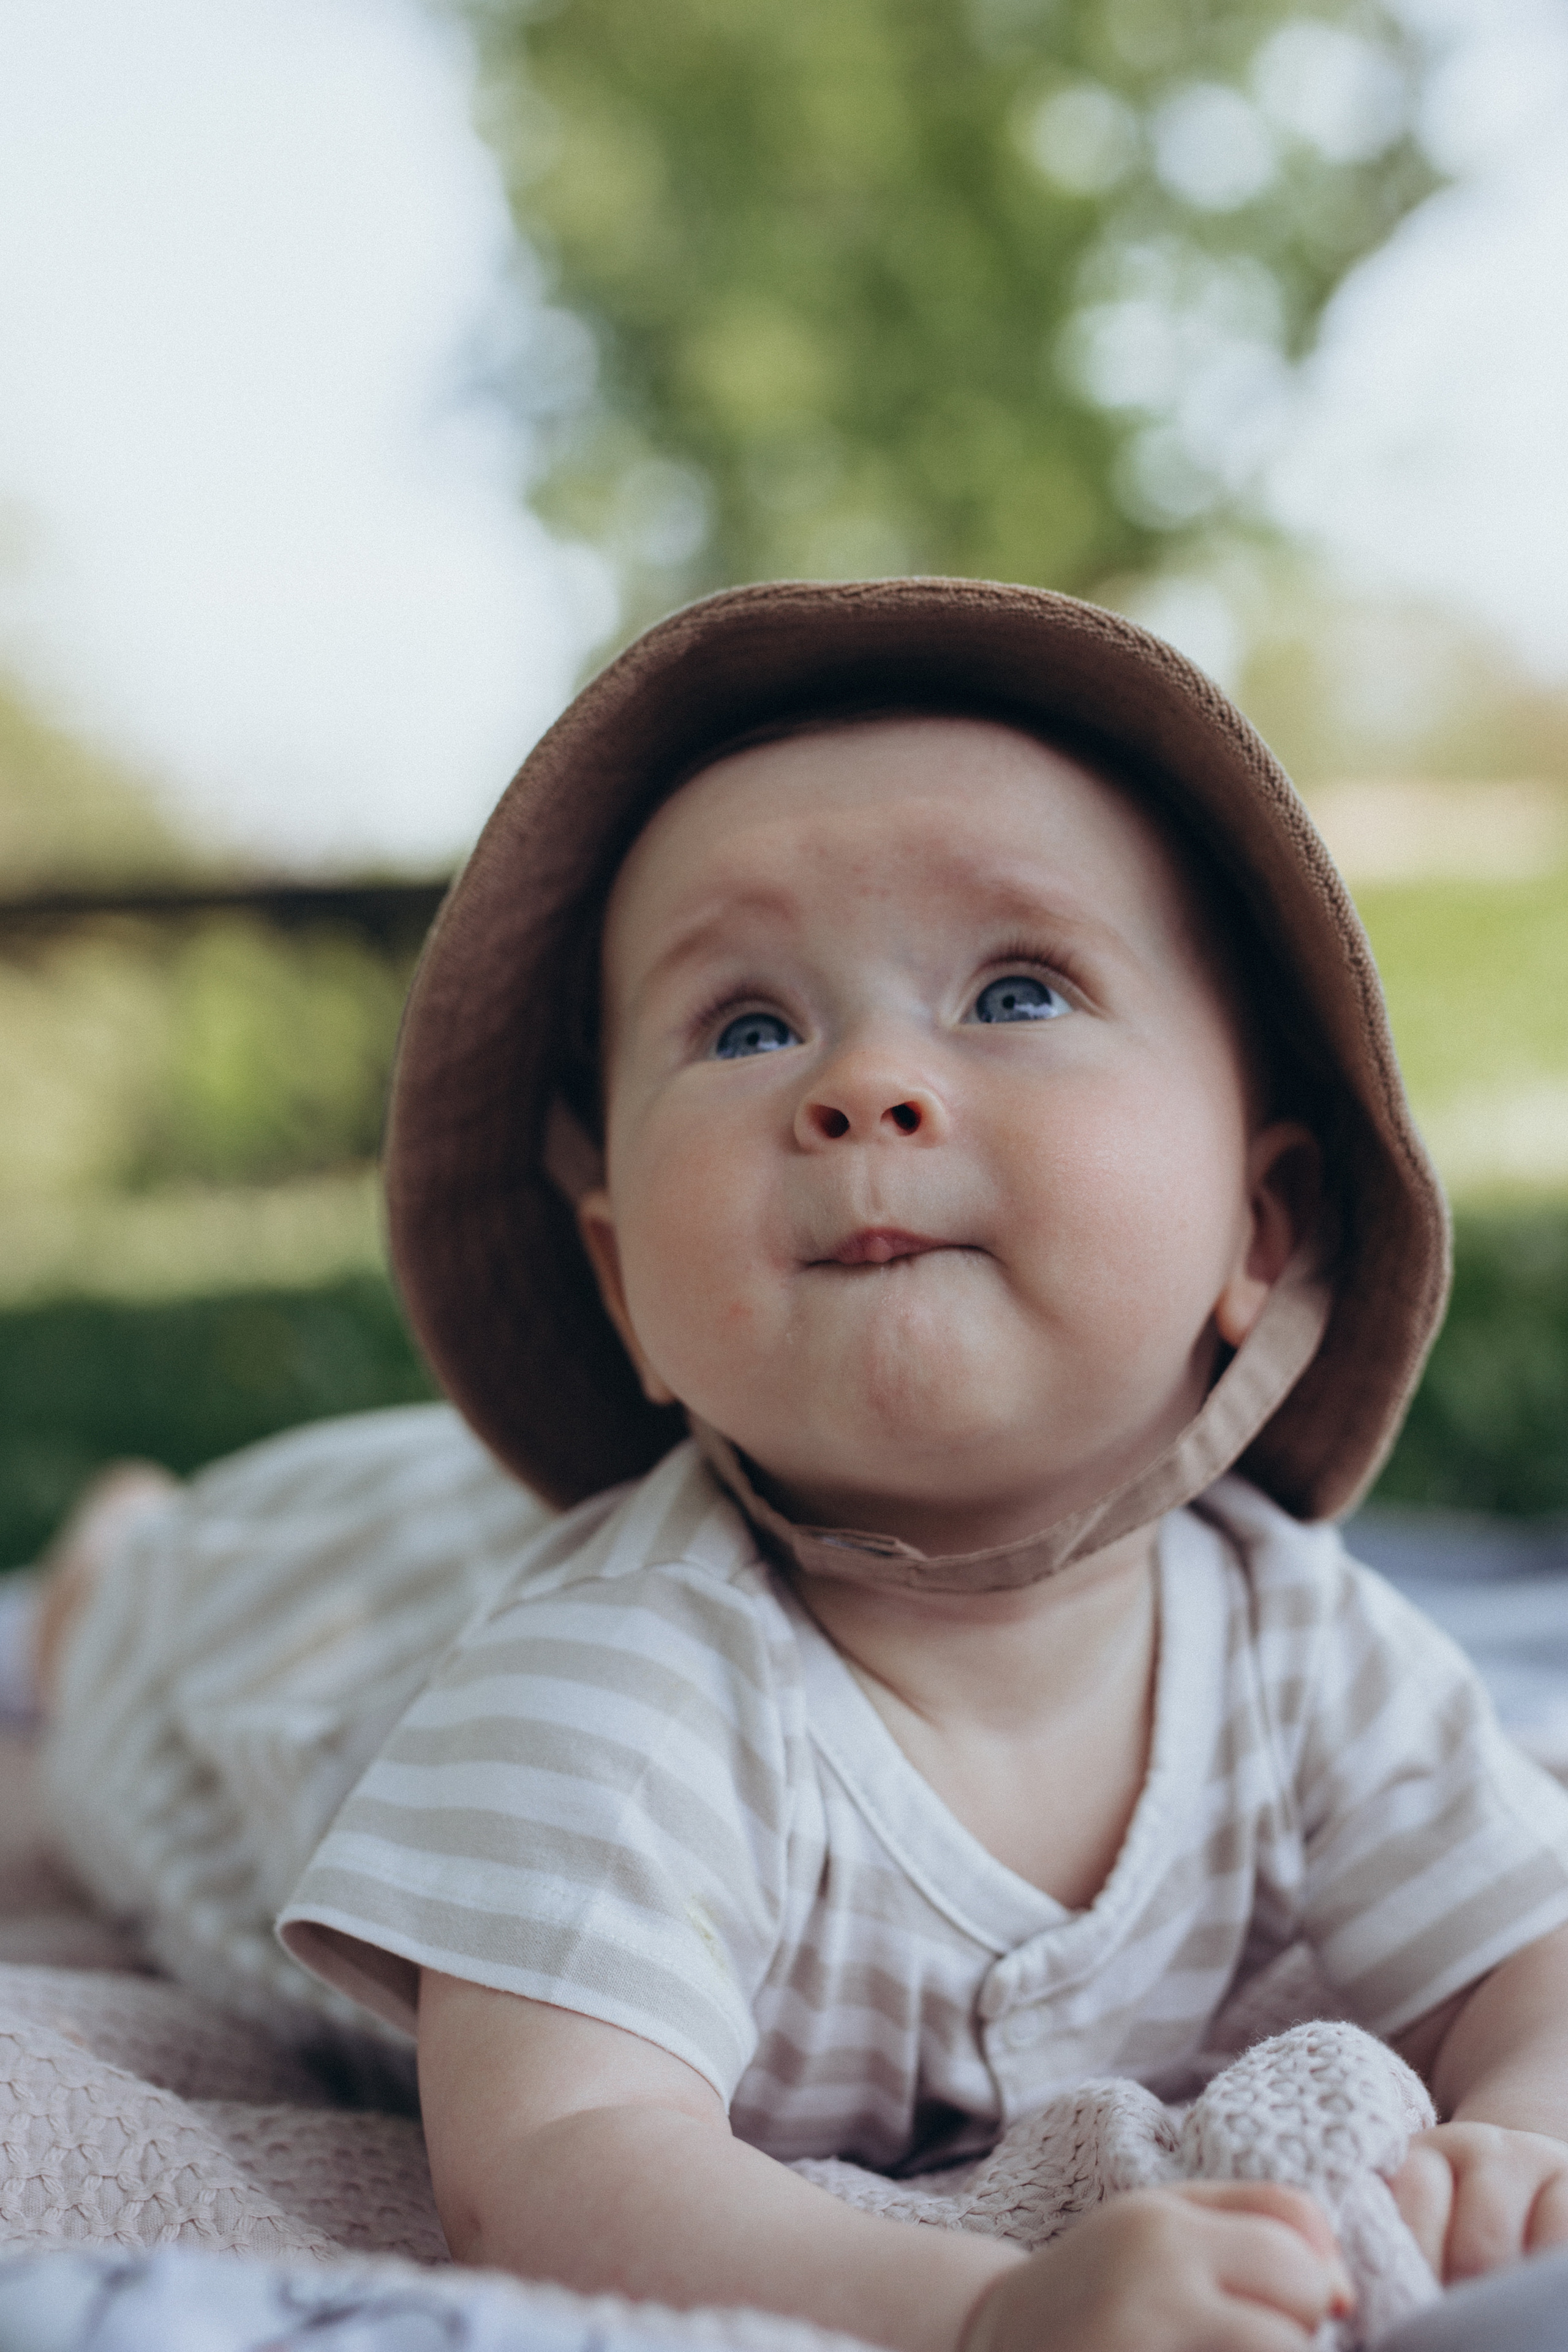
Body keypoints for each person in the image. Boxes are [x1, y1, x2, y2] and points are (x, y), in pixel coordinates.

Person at [29, 580, 1568, 2351]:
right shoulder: (621, 1686)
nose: (867, 1084)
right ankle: (117, 1549)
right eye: (750, 1027)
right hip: (283, 1638)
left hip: (456, 1532)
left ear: (1262, 1223)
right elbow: (552, 2159)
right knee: (119, 1640)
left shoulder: (1294, 1637)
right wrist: (987, 2309)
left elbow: (1531, 1947)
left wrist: (1518, 2129)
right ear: (621, 1282)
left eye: (1015, 988)